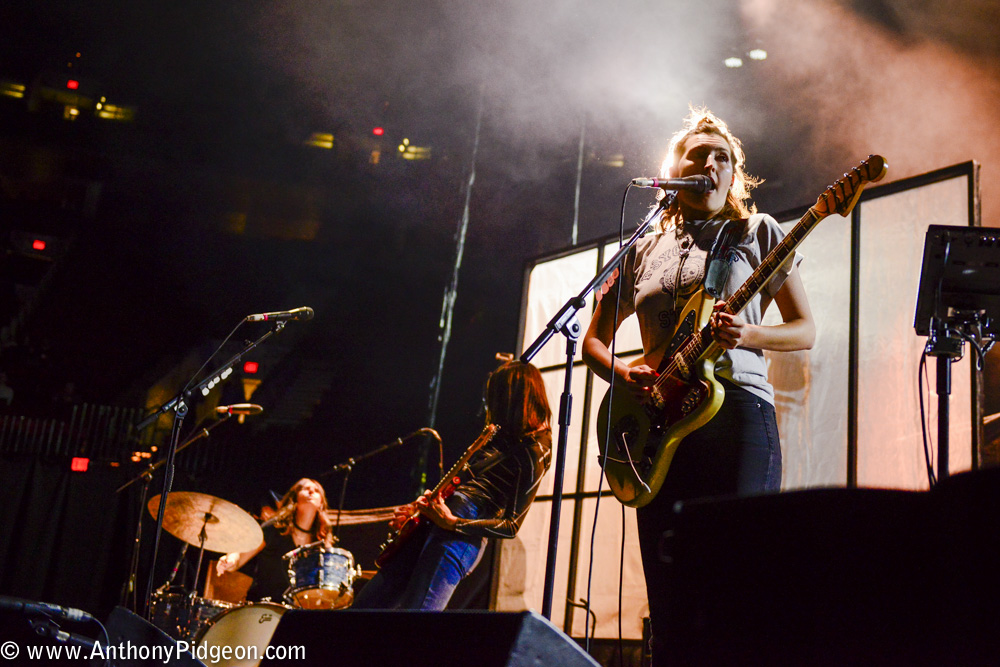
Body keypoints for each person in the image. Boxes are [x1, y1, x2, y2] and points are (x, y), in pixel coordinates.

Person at [581, 108, 815, 663]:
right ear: (673, 171)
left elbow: (806, 330)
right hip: (658, 425)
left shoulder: (757, 232)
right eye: (699, 156)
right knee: (670, 592)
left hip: (736, 410)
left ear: (735, 176)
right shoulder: (640, 248)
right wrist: (623, 371)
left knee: (737, 578)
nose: (712, 165)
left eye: (724, 159)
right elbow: (594, 339)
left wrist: (748, 331)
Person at [353, 360, 552, 611]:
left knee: (414, 622)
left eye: (495, 398)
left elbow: (511, 526)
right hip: (435, 522)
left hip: (458, 537)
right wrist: (428, 503)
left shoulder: (536, 449)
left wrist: (453, 523)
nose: (490, 406)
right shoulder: (500, 434)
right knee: (361, 611)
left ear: (514, 398)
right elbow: (468, 480)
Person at [216, 477, 334, 602]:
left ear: (321, 503)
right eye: (306, 489)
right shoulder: (276, 527)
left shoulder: (321, 540)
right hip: (262, 605)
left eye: (316, 491)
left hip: (296, 610)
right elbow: (241, 554)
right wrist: (231, 559)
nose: (311, 492)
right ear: (294, 498)